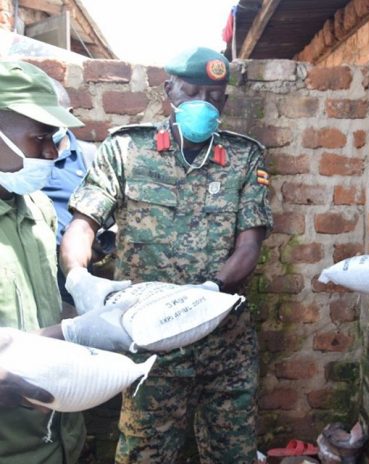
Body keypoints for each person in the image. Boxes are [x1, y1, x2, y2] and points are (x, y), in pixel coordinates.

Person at [60, 47, 273, 463]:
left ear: (225, 101)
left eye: (214, 97)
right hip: (149, 344)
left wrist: (210, 291)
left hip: (223, 344)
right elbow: (83, 224)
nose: (204, 104)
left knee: (233, 454)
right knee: (144, 454)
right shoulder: (127, 149)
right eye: (192, 93)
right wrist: (77, 278)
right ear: (169, 89)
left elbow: (250, 245)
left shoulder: (244, 157)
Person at [0, 60, 136, 464]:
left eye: (54, 138)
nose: (51, 152)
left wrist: (90, 313)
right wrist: (71, 333)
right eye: (40, 137)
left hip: (60, 441)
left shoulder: (36, 208)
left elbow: (38, 306)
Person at [41, 79, 98, 310]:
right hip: (30, 262)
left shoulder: (89, 156)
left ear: (69, 115)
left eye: (51, 118)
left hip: (73, 270)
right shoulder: (21, 156)